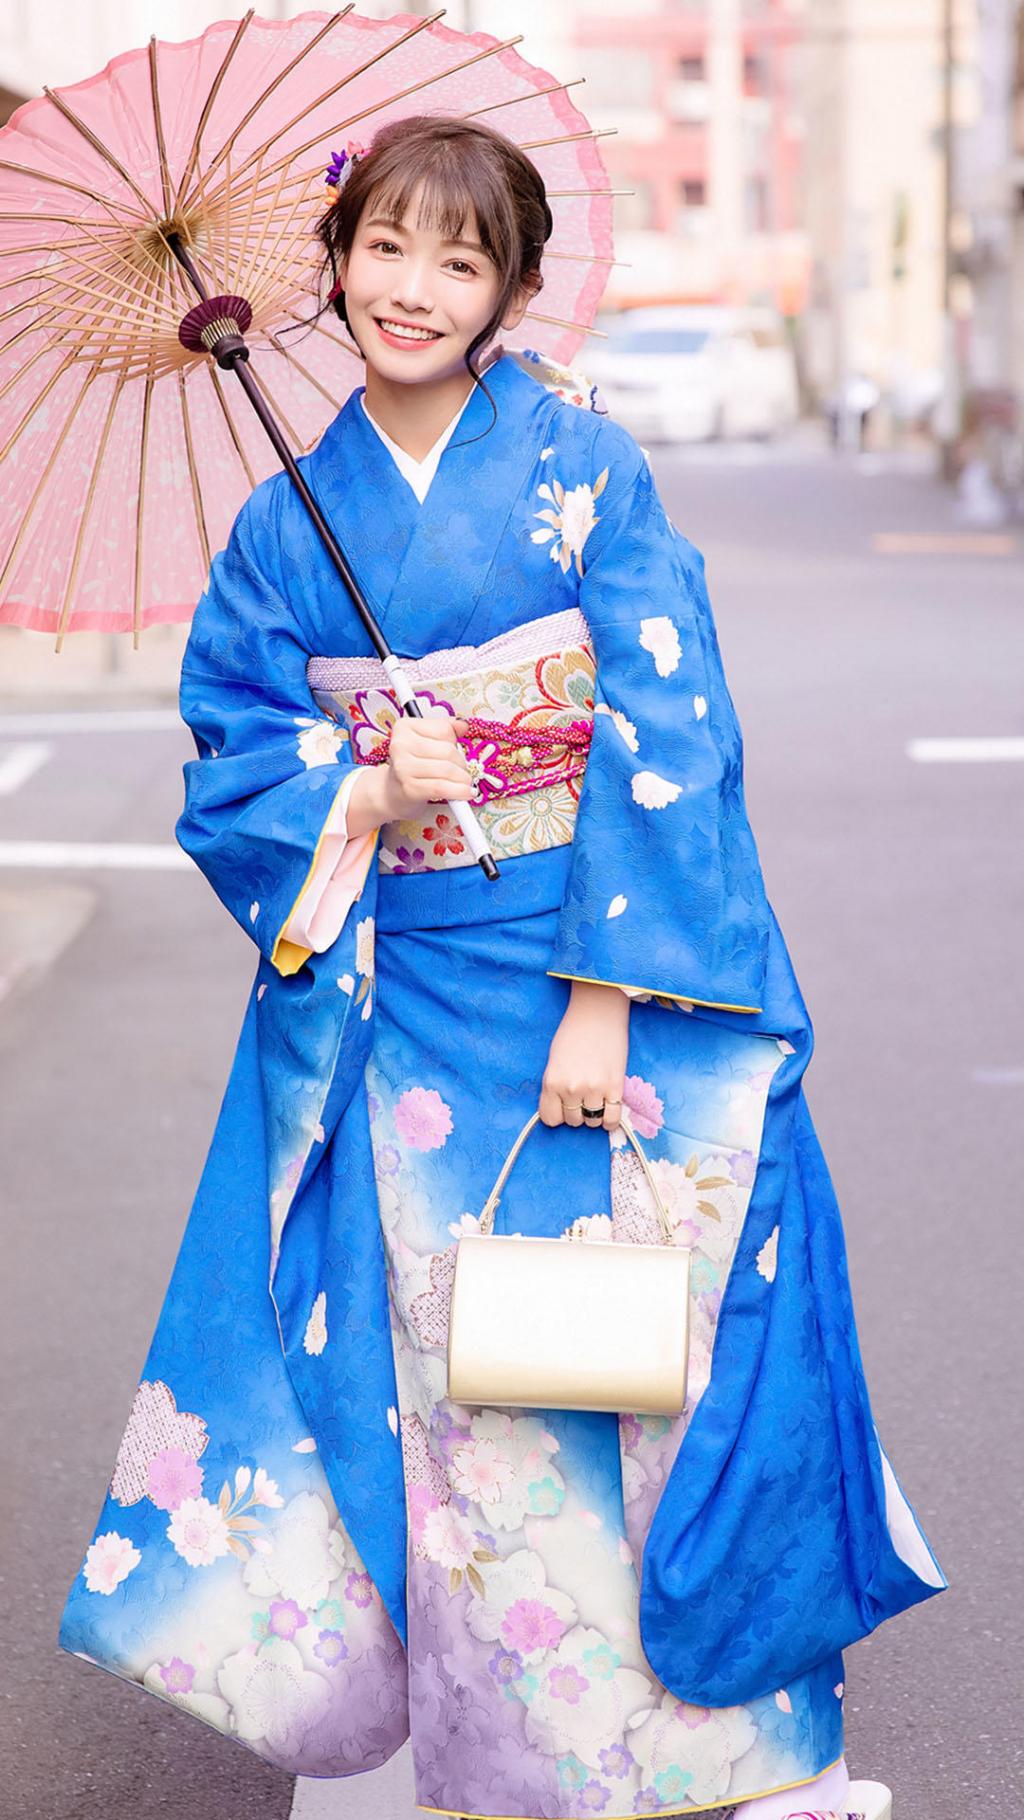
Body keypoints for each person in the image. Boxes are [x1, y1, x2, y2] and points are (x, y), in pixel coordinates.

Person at [58, 116, 945, 1820]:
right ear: (332, 267)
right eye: (384, 248)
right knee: (467, 1382)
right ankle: (508, 1761)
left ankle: (727, 1759)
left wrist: (606, 1001)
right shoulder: (282, 526)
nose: (414, 288)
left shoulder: (584, 471)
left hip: (611, 974)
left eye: (459, 262)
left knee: (666, 1360)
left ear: (514, 292)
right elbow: (231, 755)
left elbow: (671, 723)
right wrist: (360, 792)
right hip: (408, 1000)